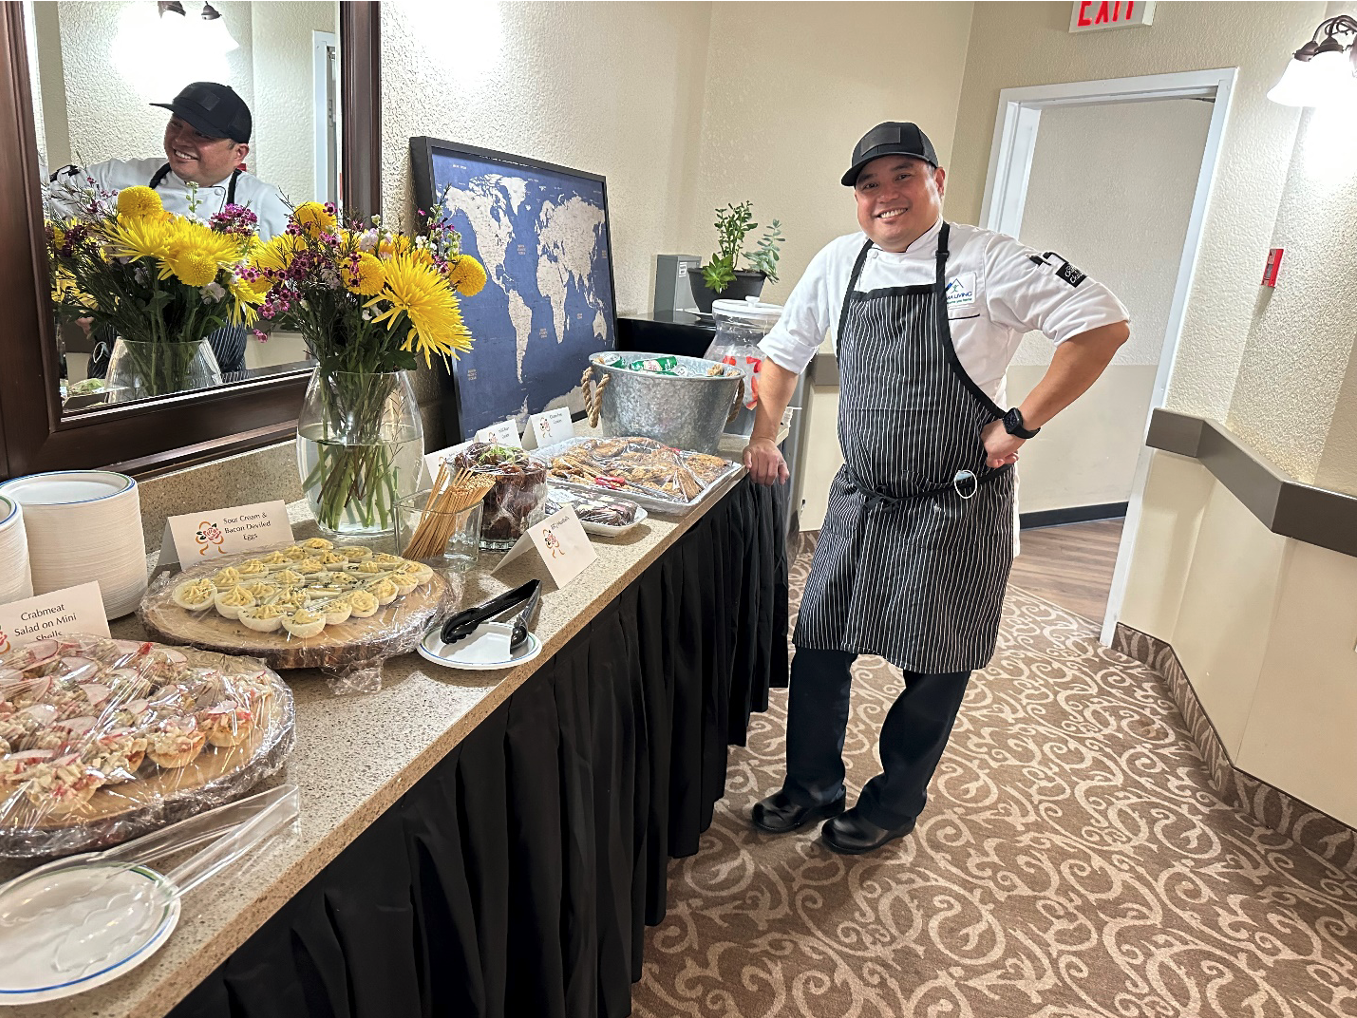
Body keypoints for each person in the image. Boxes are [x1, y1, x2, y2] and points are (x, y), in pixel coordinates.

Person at [745, 122, 1131, 855]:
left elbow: (1101, 324)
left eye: (901, 177)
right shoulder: (838, 263)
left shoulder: (988, 260)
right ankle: (811, 786)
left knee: (935, 660)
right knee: (821, 646)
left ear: (936, 180)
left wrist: (1020, 423)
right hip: (859, 499)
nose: (884, 196)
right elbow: (780, 354)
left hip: (954, 505)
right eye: (868, 184)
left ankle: (893, 803)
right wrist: (764, 435)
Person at [49, 81, 290, 375]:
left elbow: (294, 280)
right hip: (121, 372)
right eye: (176, 125)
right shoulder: (121, 177)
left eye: (201, 133)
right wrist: (75, 290)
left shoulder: (263, 202)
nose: (181, 140)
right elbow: (38, 204)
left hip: (214, 378)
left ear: (238, 153)